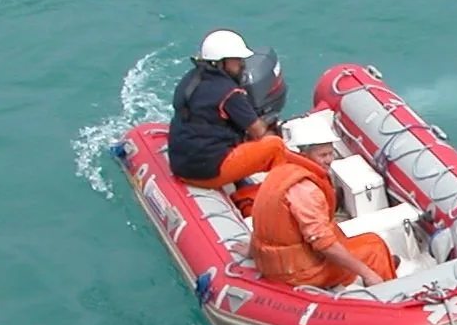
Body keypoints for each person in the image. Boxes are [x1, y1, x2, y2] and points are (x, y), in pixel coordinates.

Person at [249, 132, 396, 289]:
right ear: (304, 154)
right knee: (374, 245)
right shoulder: (305, 189)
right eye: (323, 155)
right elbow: (323, 243)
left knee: (338, 232)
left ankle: (382, 266)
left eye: (331, 153)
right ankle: (388, 288)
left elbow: (261, 225)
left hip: (273, 263)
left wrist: (251, 251)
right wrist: (367, 273)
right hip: (300, 273)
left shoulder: (280, 173)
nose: (329, 160)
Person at [167, 29, 285, 188]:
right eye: (237, 60)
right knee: (275, 145)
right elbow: (257, 131)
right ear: (221, 62)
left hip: (182, 165)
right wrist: (268, 122)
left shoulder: (190, 78)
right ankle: (277, 190)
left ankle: (241, 183)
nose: (242, 64)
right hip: (207, 173)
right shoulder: (230, 92)